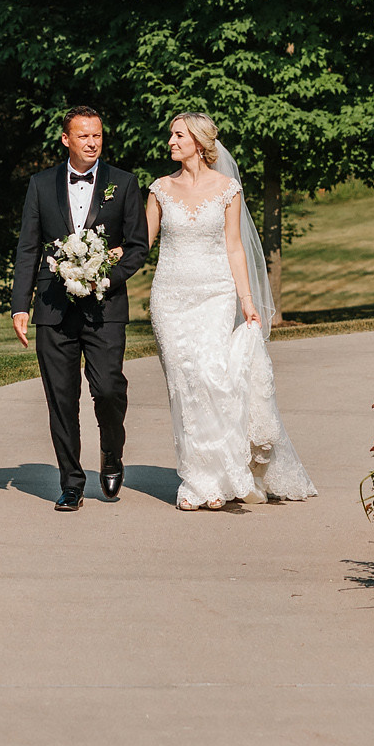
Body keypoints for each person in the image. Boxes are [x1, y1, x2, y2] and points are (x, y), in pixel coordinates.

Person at [145, 113, 316, 510]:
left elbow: (235, 246)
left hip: (216, 295)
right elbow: (141, 242)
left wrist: (247, 300)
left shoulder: (227, 189)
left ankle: (221, 475)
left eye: (178, 134)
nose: (170, 141)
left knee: (211, 377)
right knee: (183, 385)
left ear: (200, 143)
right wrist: (102, 261)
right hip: (169, 298)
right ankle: (196, 479)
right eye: (171, 134)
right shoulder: (159, 189)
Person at [11, 104, 150, 511]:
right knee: (61, 396)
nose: (92, 143)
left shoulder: (123, 184)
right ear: (66, 139)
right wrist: (22, 304)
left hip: (105, 308)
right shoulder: (40, 184)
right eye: (84, 136)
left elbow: (138, 246)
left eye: (98, 136)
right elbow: (28, 248)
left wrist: (105, 276)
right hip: (53, 308)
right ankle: (71, 482)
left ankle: (111, 453)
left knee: (108, 389)